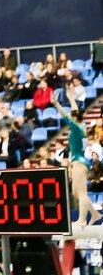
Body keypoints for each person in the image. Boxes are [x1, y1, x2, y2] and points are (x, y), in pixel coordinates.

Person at [52, 93, 103, 226]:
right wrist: (71, 99)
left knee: (81, 193)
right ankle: (95, 214)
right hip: (78, 161)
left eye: (72, 116)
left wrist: (56, 104)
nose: (70, 116)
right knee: (75, 193)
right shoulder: (82, 125)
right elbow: (75, 112)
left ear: (74, 119)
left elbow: (65, 118)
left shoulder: (76, 129)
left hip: (79, 162)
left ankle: (82, 220)